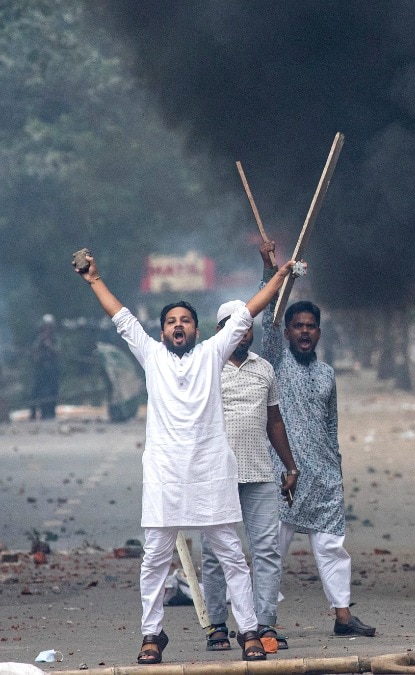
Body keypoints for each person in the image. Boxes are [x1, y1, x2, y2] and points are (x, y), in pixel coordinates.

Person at [74, 250, 292, 664]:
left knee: (230, 553)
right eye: (171, 321)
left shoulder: (212, 354)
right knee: (155, 557)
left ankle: (247, 630)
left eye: (185, 321)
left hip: (210, 472)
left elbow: (248, 312)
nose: (178, 326)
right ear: (161, 333)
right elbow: (121, 317)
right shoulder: (151, 356)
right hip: (165, 475)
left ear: (196, 329)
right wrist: (94, 280)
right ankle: (152, 635)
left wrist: (278, 277)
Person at [259, 243, 376, 639]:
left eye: (311, 327)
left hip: (324, 478)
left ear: (318, 333)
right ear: (288, 332)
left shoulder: (326, 374)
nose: (304, 332)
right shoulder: (275, 360)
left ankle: (344, 618)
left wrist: (337, 471)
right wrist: (271, 272)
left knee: (332, 549)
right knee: (271, 551)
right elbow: (268, 321)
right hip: (282, 476)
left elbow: (331, 426)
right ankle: (265, 622)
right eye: (298, 326)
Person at [199, 300, 301, 653]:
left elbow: (274, 422)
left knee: (266, 551)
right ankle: (216, 625)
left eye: (247, 325)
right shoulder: (205, 366)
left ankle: (265, 624)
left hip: (259, 473)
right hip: (215, 475)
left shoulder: (264, 370)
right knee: (214, 554)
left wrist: (290, 466)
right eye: (233, 325)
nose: (243, 331)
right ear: (219, 331)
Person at [29, 315, 60, 420]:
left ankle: (50, 413)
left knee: (52, 391)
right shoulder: (39, 339)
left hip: (52, 368)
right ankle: (35, 413)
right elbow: (34, 352)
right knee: (37, 391)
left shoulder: (55, 339)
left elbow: (58, 351)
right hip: (41, 369)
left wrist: (50, 346)